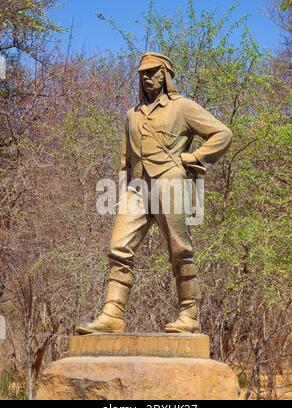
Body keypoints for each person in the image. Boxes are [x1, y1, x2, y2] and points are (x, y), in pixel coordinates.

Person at [76, 52, 232, 335]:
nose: (147, 78)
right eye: (143, 74)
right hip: (138, 188)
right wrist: (124, 191)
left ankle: (189, 314)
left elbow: (222, 134)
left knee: (179, 249)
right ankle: (112, 314)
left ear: (166, 74)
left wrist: (193, 158)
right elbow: (125, 160)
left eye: (153, 72)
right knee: (118, 246)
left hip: (170, 183)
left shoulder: (183, 107)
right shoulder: (131, 115)